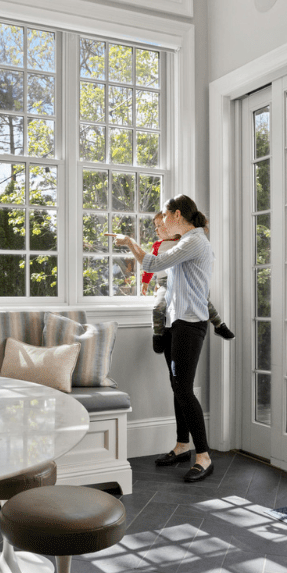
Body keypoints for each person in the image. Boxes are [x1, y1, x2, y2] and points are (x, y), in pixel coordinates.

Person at [109, 195, 217, 483]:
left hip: (190, 323)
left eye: (165, 217)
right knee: (176, 386)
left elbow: (152, 264)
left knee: (183, 388)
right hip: (174, 322)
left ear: (177, 214)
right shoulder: (185, 240)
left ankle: (204, 456)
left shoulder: (194, 241)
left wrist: (130, 242)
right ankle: (183, 445)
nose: (162, 223)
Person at [141, 210, 234, 354]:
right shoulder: (157, 246)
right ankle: (158, 335)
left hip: (185, 281)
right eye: (155, 226)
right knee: (158, 307)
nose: (156, 230)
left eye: (160, 225)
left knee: (203, 300)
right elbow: (150, 264)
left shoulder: (183, 242)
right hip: (165, 283)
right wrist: (145, 282)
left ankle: (219, 324)